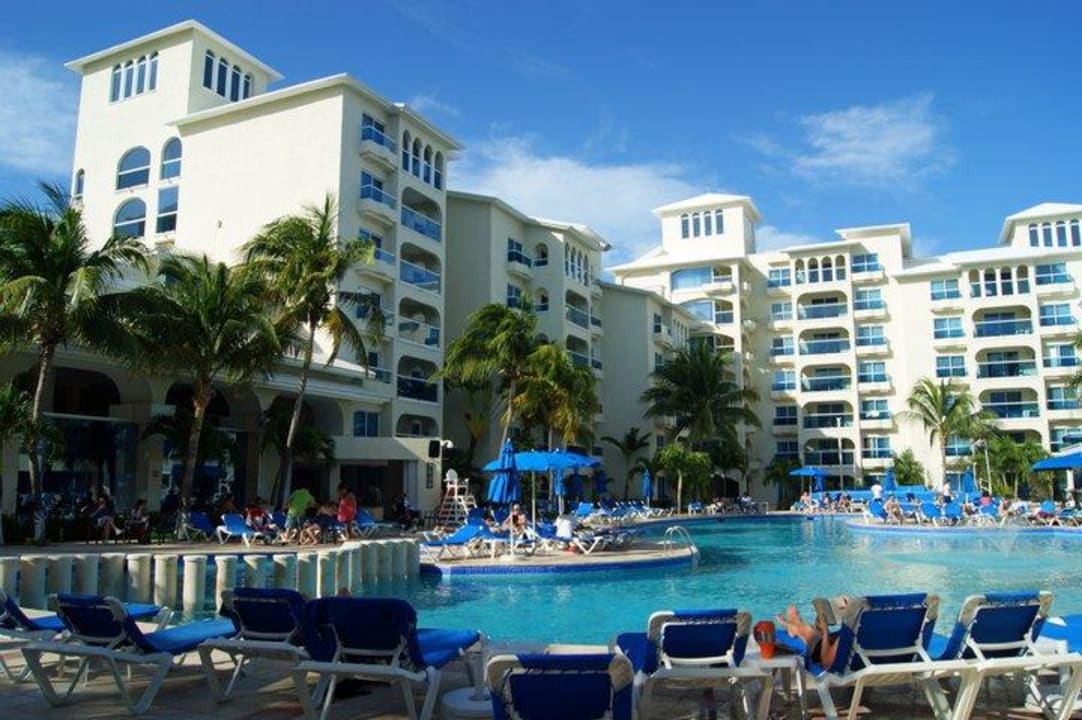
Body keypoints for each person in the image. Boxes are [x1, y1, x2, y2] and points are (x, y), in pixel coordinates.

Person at [775, 597, 849, 670]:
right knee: (811, 628)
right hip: (819, 646)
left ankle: (791, 623)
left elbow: (826, 662)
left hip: (818, 649)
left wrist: (825, 630)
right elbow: (827, 660)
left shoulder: (845, 634)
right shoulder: (849, 633)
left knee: (809, 630)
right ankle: (791, 623)